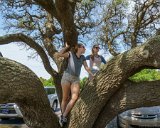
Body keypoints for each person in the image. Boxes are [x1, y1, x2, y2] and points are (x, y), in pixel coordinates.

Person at [56, 43, 93, 127]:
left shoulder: (83, 57)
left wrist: (92, 74)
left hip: (76, 79)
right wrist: (66, 48)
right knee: (65, 98)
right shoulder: (70, 54)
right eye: (84, 47)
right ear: (79, 48)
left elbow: (86, 67)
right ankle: (63, 117)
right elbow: (59, 54)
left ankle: (63, 115)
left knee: (74, 97)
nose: (85, 49)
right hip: (66, 77)